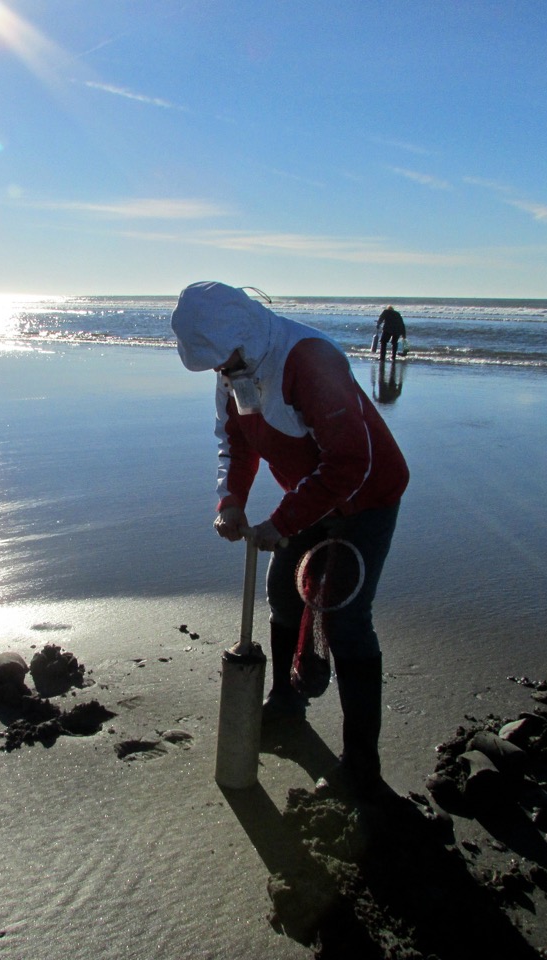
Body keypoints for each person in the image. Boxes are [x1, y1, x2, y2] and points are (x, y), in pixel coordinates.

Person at [171, 281, 409, 788]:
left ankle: (362, 766)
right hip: (310, 493)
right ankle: (285, 703)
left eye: (225, 358)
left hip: (366, 495)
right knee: (283, 590)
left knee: (344, 619)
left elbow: (350, 462)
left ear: (244, 332)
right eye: (215, 364)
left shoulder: (309, 361)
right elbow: (236, 438)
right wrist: (232, 500)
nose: (222, 370)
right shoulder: (233, 366)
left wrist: (282, 522)